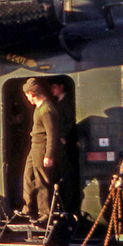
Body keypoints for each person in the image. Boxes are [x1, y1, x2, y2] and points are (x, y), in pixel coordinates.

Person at [19, 78, 60, 225]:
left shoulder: (46, 110)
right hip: (34, 146)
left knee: (41, 180)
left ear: (31, 93)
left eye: (27, 96)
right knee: (28, 177)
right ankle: (28, 208)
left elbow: (52, 134)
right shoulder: (39, 108)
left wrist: (49, 155)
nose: (27, 99)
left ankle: (45, 213)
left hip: (41, 148)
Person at [49, 76, 80, 215]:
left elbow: (71, 121)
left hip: (66, 145)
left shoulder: (66, 102)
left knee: (67, 174)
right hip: (60, 145)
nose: (52, 90)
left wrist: (64, 136)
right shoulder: (59, 102)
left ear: (61, 87)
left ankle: (69, 205)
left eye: (54, 87)